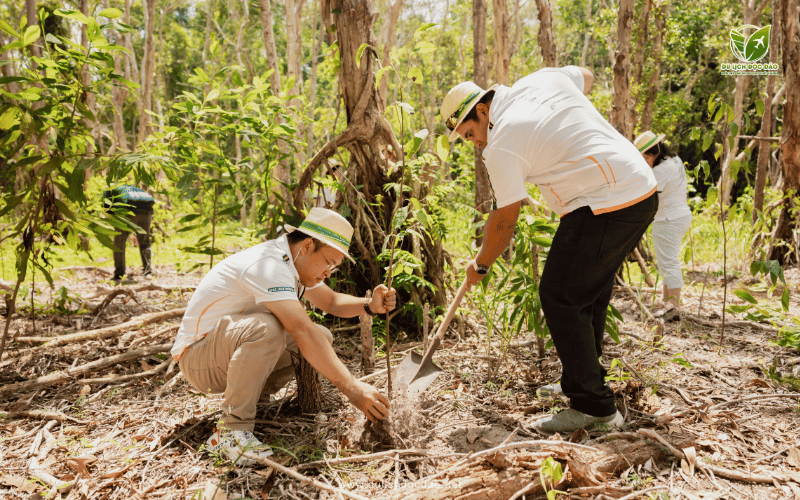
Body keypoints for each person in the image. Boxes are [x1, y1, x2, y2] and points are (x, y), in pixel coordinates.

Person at [440, 66, 658, 434]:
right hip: (638, 189)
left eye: (471, 132)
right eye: (465, 139)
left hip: (605, 200)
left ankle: (595, 408)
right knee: (585, 294)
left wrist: (479, 265)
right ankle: (582, 379)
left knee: (559, 294)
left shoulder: (503, 141)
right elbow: (587, 76)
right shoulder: (541, 79)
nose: (474, 142)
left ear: (482, 110)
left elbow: (505, 219)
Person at [171, 207, 394, 465]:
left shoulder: (293, 262)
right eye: (329, 263)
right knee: (271, 328)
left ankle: (255, 402)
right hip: (197, 360)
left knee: (321, 335)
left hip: (221, 353)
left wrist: (369, 305)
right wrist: (352, 388)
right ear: (308, 245)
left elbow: (331, 302)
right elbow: (301, 329)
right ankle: (231, 432)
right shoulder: (269, 265)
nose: (329, 272)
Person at [634, 131, 692, 321]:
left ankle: (674, 305)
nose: (645, 162)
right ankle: (667, 300)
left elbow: (648, 195)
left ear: (652, 153)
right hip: (676, 215)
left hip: (669, 218)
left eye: (645, 158)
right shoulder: (674, 161)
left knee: (669, 261)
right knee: (666, 260)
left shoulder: (661, 170)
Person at [103, 185, 155, 281]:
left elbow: (109, 215)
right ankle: (148, 272)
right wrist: (132, 235)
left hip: (128, 212)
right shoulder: (134, 191)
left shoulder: (108, 193)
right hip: (146, 212)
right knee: (145, 242)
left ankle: (119, 274)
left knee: (119, 242)